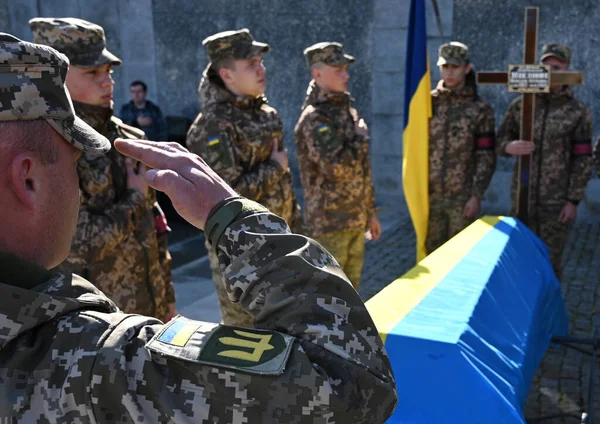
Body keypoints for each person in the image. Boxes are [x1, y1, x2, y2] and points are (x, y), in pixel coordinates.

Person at [0, 33, 398, 423]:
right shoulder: (95, 366)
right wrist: (233, 217)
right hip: (246, 280)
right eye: (73, 165)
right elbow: (354, 386)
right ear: (28, 180)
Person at [29, 17, 176, 321]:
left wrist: (168, 301)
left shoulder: (131, 137)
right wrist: (135, 198)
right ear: (57, 76)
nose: (107, 81)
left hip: (151, 308)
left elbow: (155, 229)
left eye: (108, 71)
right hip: (97, 323)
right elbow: (76, 244)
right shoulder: (48, 148)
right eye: (93, 72)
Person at [186, 29, 301, 327]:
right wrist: (275, 167)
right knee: (251, 345)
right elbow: (224, 198)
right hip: (243, 262)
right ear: (227, 74)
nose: (261, 69)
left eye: (260, 62)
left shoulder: (266, 113)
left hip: (283, 249)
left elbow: (285, 184)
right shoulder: (211, 126)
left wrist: (300, 233)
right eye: (251, 64)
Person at [497, 43, 593, 279]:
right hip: (522, 199)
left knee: (549, 263)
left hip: (556, 203)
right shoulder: (521, 105)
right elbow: (500, 140)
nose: (550, 71)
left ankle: (548, 315)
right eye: (545, 65)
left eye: (557, 67)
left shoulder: (577, 111)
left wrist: (573, 200)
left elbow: (582, 159)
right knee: (519, 260)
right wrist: (509, 147)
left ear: (567, 70)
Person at [294, 42, 380, 289]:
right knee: (330, 298)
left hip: (355, 220)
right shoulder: (315, 118)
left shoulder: (345, 110)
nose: (346, 74)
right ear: (317, 74)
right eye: (338, 69)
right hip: (329, 226)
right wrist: (360, 139)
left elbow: (363, 170)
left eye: (346, 68)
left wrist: (370, 212)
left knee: (351, 295)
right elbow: (338, 168)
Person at [426, 41, 496, 255]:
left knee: (459, 257)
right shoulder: (427, 103)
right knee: (430, 256)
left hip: (462, 197)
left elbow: (486, 156)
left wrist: (476, 195)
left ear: (466, 68)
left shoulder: (479, 108)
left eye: (455, 67)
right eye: (445, 66)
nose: (449, 72)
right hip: (430, 195)